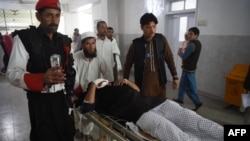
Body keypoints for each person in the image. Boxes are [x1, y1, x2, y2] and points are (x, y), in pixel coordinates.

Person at [6, 0, 76, 140]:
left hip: (62, 99)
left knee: (67, 134)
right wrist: (41, 78)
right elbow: (12, 73)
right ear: (38, 16)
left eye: (57, 15)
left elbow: (71, 68)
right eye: (49, 15)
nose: (54, 20)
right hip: (39, 102)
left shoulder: (64, 41)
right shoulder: (25, 38)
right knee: (44, 136)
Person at [78, 78, 224, 141]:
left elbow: (138, 90)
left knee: (198, 121)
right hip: (141, 116)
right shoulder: (96, 97)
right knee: (180, 137)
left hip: (158, 103)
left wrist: (127, 82)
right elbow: (87, 107)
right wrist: (93, 85)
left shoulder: (114, 85)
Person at [123, 13, 179, 98]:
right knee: (146, 108)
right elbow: (127, 65)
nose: (152, 30)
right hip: (144, 86)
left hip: (160, 85)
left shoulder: (161, 40)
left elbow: (169, 58)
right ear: (142, 27)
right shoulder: (136, 44)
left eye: (154, 26)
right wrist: (125, 81)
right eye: (148, 27)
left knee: (161, 106)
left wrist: (175, 76)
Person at [72, 31, 113, 137]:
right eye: (87, 44)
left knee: (89, 114)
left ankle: (86, 133)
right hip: (77, 90)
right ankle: (77, 129)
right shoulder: (75, 57)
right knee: (76, 111)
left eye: (93, 43)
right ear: (82, 45)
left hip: (92, 92)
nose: (91, 47)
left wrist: (109, 86)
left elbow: (107, 73)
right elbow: (73, 76)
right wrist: (77, 90)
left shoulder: (99, 57)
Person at [173, 27, 203, 111]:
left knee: (189, 88)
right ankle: (180, 98)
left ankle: (197, 102)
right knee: (182, 84)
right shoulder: (199, 43)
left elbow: (184, 56)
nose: (189, 35)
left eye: (191, 34)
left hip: (189, 70)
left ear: (196, 35)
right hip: (190, 68)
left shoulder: (191, 44)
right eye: (188, 33)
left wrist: (179, 53)